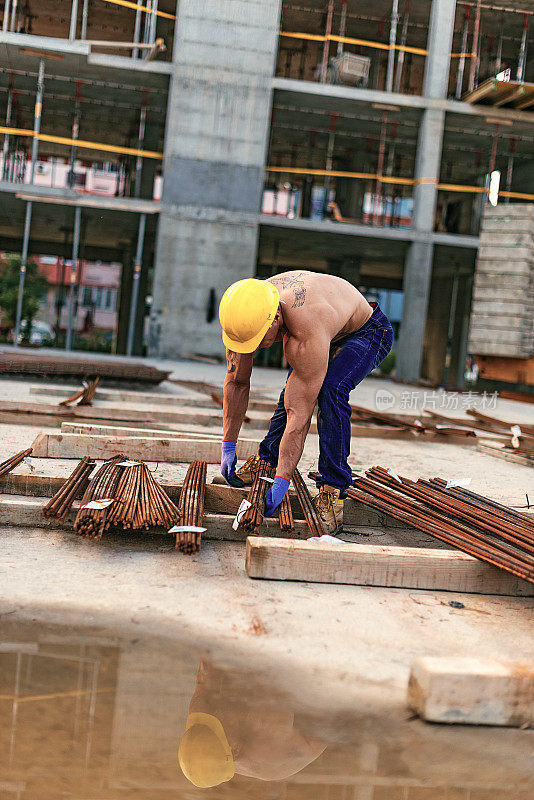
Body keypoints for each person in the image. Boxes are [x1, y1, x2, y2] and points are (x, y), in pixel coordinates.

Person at [219, 271, 393, 533]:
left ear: (275, 318)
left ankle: (334, 489)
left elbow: (298, 415)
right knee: (294, 388)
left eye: (258, 342)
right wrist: (228, 444)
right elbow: (237, 383)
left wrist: (282, 481)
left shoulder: (306, 322)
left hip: (365, 331)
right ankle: (267, 460)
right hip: (325, 329)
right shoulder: (247, 313)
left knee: (330, 390)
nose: (253, 349)